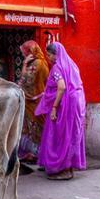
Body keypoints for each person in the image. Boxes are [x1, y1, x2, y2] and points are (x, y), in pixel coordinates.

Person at [35, 42, 86, 180]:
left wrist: (54, 107)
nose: (48, 57)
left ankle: (62, 169)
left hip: (65, 106)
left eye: (49, 54)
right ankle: (68, 168)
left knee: (60, 135)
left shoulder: (57, 68)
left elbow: (62, 87)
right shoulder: (71, 64)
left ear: (56, 55)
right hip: (76, 103)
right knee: (70, 134)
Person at [17, 40, 49, 163]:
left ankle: (35, 154)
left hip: (33, 102)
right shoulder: (43, 62)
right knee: (35, 128)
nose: (24, 54)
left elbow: (26, 82)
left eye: (25, 51)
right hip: (40, 99)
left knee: (33, 128)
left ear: (30, 51)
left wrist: (24, 65)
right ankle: (33, 153)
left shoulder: (36, 64)